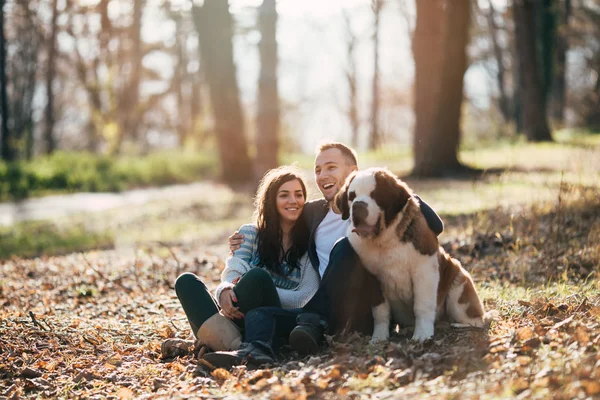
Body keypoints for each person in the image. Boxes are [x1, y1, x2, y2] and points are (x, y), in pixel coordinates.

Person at [201, 142, 443, 368]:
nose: (322, 175)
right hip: (318, 314)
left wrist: (395, 192)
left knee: (346, 245)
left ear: (354, 172)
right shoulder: (313, 213)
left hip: (363, 309)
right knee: (258, 314)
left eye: (331, 167)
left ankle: (311, 323)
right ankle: (251, 350)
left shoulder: (379, 207)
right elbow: (281, 210)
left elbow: (435, 225)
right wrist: (245, 237)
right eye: (317, 170)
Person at [163, 166, 320, 360]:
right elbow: (233, 270)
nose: (293, 201)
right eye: (284, 195)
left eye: (299, 194)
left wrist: (258, 287)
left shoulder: (309, 244)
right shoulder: (250, 234)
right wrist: (226, 290)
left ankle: (213, 342)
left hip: (269, 318)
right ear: (271, 200)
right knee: (186, 281)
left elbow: (303, 297)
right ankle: (238, 346)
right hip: (236, 314)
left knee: (257, 277)